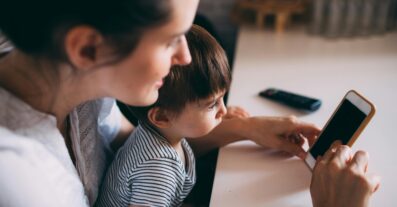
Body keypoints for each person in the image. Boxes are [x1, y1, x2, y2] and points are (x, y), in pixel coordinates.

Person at [0, 0, 379, 207]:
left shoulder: (74, 80)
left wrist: (242, 128)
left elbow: (130, 145)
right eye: (170, 40)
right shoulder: (17, 180)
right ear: (87, 48)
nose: (184, 56)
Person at [96, 24, 233, 206]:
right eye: (212, 105)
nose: (223, 110)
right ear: (162, 118)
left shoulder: (163, 134)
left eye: (222, 98)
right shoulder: (157, 169)